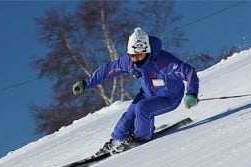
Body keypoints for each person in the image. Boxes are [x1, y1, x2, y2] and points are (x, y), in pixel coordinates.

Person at [72, 27, 200, 156]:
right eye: (133, 56)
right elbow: (108, 70)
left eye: (139, 55)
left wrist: (191, 94)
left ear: (147, 52)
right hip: (147, 93)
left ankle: (142, 137)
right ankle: (116, 140)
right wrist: (86, 83)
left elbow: (189, 72)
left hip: (170, 97)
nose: (136, 59)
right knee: (129, 115)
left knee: (142, 108)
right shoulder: (129, 62)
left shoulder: (163, 62)